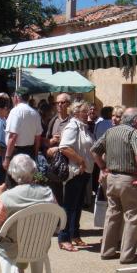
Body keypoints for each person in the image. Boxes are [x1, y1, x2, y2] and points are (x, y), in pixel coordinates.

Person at [0, 154, 57, 273]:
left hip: (12, 247)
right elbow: (57, 217)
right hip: (39, 246)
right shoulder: (48, 193)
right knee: (26, 236)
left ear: (12, 174)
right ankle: (20, 272)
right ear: (34, 171)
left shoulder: (7, 197)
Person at [91, 108, 137, 264]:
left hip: (111, 178)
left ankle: (107, 251)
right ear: (135, 121)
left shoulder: (110, 132)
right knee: (132, 215)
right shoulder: (133, 133)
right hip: (128, 178)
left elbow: (94, 150)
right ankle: (127, 255)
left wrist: (102, 167)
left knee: (113, 213)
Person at [49, 100, 95, 251]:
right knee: (69, 206)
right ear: (76, 112)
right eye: (85, 110)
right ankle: (64, 238)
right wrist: (81, 161)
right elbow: (64, 147)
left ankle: (75, 234)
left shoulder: (84, 127)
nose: (89, 113)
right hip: (75, 172)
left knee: (77, 205)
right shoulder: (73, 126)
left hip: (84, 172)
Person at [3, 87, 42, 172]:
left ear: (17, 97)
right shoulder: (35, 113)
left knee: (14, 181)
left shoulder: (15, 112)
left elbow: (13, 136)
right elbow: (38, 138)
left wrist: (7, 158)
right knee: (28, 180)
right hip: (30, 152)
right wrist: (35, 155)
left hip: (17, 153)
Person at [45, 93, 72, 202]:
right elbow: (46, 140)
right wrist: (51, 141)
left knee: (66, 194)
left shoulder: (72, 121)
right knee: (54, 192)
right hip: (53, 161)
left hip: (67, 161)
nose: (59, 105)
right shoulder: (53, 120)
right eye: (57, 103)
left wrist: (61, 144)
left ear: (68, 104)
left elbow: (75, 143)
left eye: (62, 102)